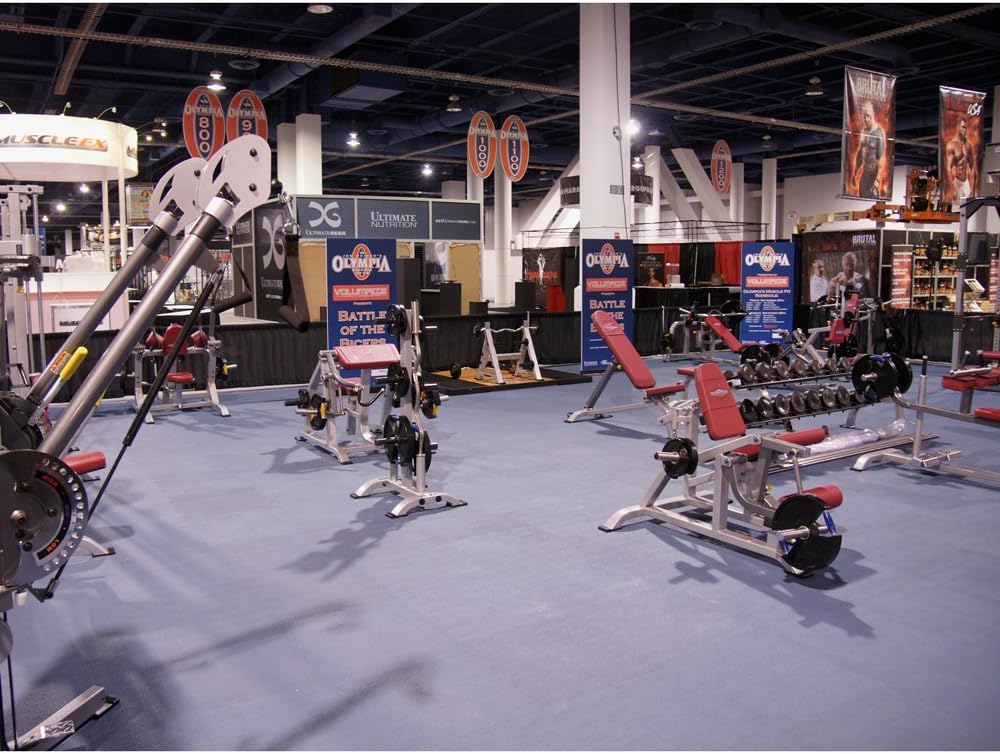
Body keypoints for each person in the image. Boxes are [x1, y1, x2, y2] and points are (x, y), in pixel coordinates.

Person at [852, 100, 886, 199]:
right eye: (864, 116)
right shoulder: (864, 131)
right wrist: (855, 172)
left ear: (872, 115)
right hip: (865, 173)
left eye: (868, 116)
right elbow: (860, 153)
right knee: (862, 194)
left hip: (873, 173)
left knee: (872, 196)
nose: (866, 119)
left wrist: (877, 181)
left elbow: (881, 160)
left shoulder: (879, 133)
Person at [945, 115, 976, 204]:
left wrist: (972, 187)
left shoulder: (968, 146)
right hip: (957, 182)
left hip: (966, 182)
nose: (964, 130)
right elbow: (948, 168)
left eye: (966, 128)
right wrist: (952, 187)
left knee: (969, 207)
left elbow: (973, 167)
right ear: (958, 127)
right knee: (957, 208)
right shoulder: (952, 145)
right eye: (963, 127)